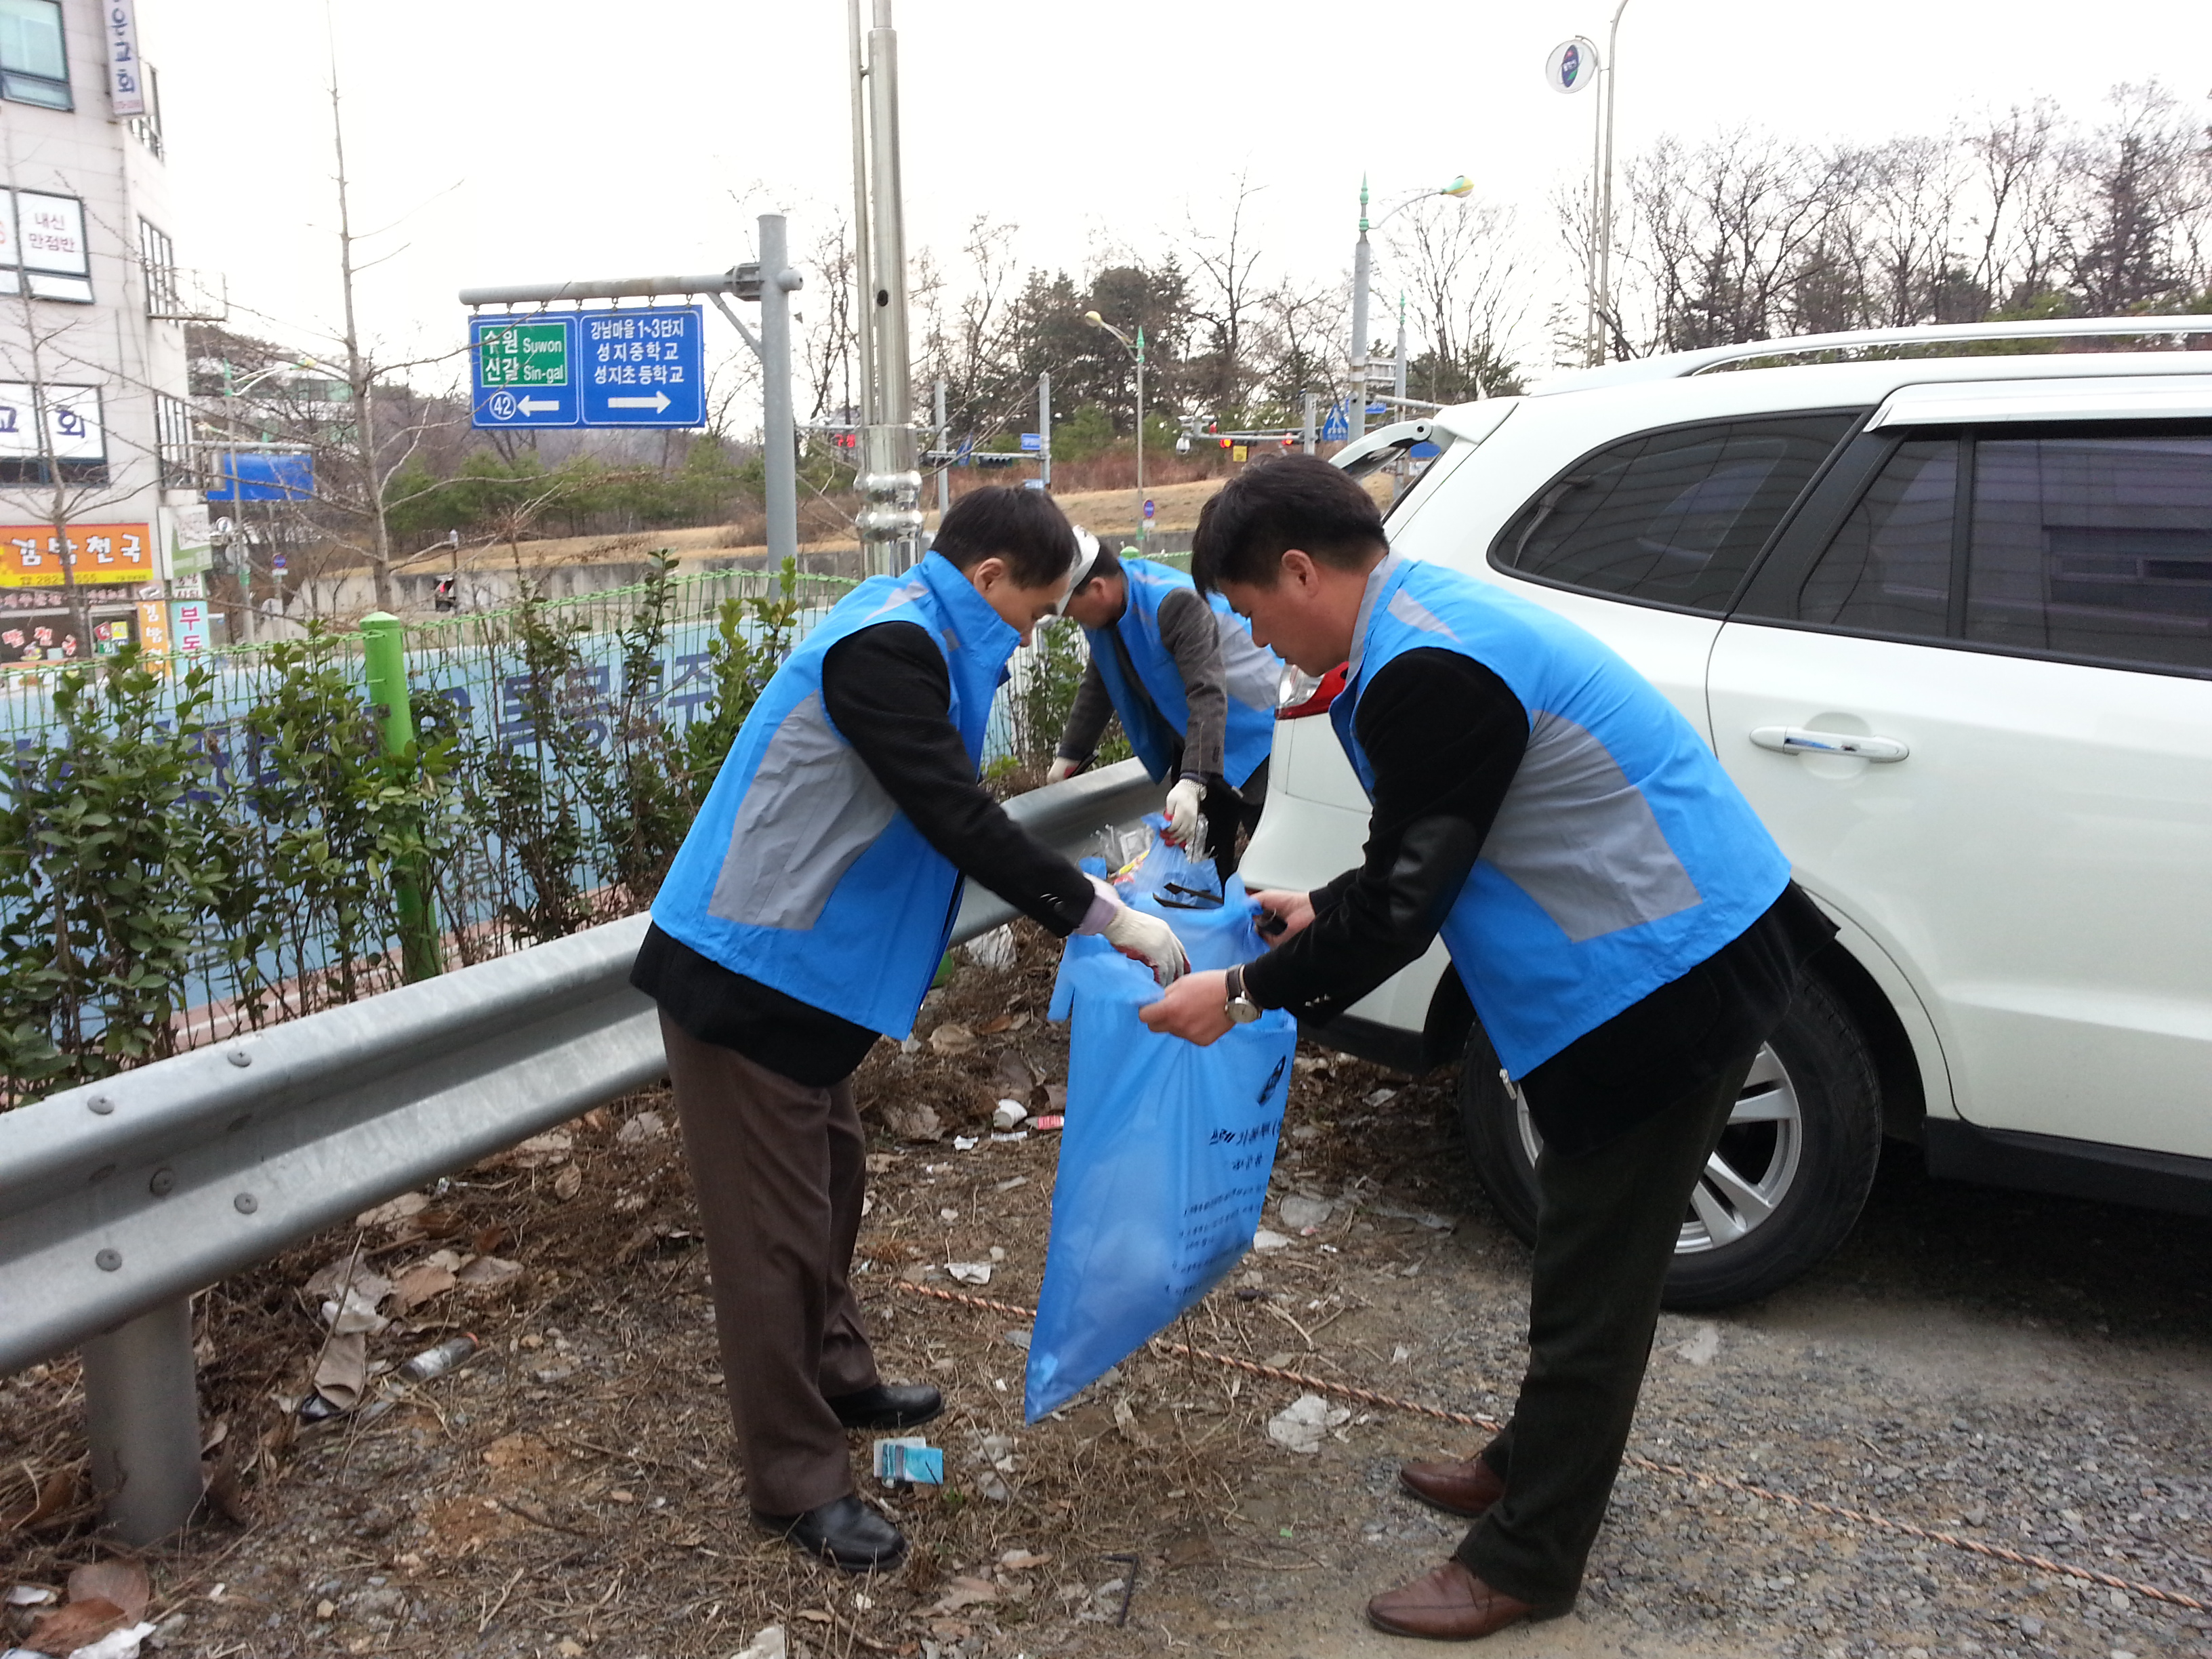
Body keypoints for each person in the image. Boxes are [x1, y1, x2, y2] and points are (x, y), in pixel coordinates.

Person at [1141, 455, 1836, 1641]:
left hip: (1665, 981)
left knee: (1593, 1281)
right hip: (1667, 954)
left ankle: (1527, 1554)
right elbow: (1434, 841)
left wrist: (1245, 989)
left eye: (1253, 611)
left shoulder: (1429, 669)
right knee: (1581, 1244)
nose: (1257, 641)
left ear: (1301, 569)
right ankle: (1528, 1458)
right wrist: (1324, 902)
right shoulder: (1424, 622)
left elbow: (1405, 906)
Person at [634, 487, 1189, 1574]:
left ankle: (838, 1374)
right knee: (774, 1246)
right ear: (987, 578)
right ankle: (795, 1479)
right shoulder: (890, 649)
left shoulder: (923, 627)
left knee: (831, 1185)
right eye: (1033, 611)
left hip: (810, 978)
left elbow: (948, 807)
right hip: (750, 974)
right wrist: (1103, 912)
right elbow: (955, 811)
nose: (1035, 634)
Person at [1047, 533, 1282, 880]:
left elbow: (1207, 691)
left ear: (1097, 589)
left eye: (1067, 608)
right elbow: (1101, 682)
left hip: (1257, 737)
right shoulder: (1105, 617)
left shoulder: (1172, 603)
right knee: (1201, 870)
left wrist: (1192, 781)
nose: (1069, 617)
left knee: (1272, 862)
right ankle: (1210, 926)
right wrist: (1071, 752)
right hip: (1204, 745)